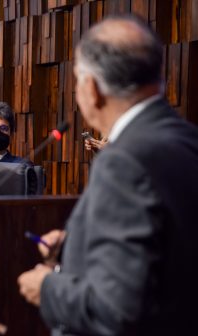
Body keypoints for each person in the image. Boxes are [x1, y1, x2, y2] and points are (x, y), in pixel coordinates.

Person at [17, 15, 198, 335]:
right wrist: (75, 244)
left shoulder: (123, 160)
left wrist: (47, 289)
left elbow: (118, 310)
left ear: (92, 88)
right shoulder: (187, 138)